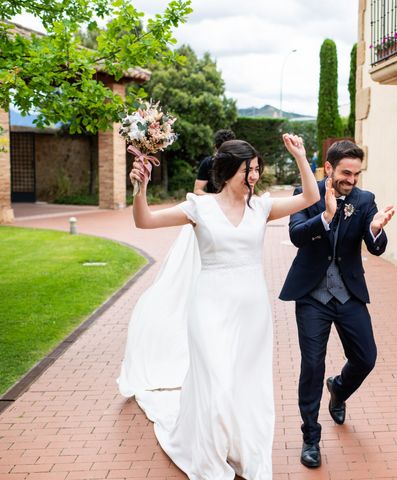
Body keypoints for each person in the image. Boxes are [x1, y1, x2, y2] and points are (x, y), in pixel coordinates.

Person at [118, 134, 320, 479]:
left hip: (253, 310)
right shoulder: (200, 208)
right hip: (209, 307)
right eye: (248, 170)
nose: (254, 176)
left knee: (247, 384)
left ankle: (244, 452)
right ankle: (210, 459)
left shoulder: (263, 207)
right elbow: (145, 221)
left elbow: (311, 197)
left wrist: (301, 157)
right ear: (227, 171)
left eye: (257, 169)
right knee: (215, 382)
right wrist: (141, 189)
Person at [279, 140, 395, 468]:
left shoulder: (364, 200)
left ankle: (339, 389)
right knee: (312, 365)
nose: (352, 179)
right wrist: (326, 217)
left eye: (357, 173)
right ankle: (311, 437)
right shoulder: (306, 194)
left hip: (348, 295)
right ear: (329, 168)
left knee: (366, 358)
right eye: (346, 172)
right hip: (312, 296)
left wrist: (374, 231)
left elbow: (376, 247)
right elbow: (296, 235)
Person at [193, 128, 236, 195]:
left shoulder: (239, 162)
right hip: (214, 202)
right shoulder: (207, 163)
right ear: (216, 148)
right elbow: (197, 190)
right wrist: (216, 198)